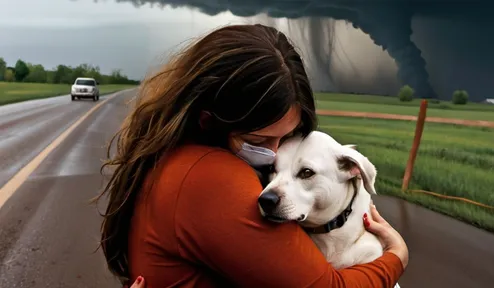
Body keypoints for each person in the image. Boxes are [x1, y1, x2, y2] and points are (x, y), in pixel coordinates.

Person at [95, 23, 409, 288]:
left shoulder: (176, 159)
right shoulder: (211, 179)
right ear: (210, 122)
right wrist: (396, 255)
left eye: (286, 137)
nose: (274, 153)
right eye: (258, 139)